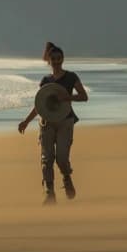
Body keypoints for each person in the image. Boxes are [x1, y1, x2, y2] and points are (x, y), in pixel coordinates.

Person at [18, 42, 89, 205]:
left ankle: (66, 177)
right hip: (47, 122)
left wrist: (67, 98)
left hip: (65, 120)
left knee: (62, 157)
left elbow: (84, 96)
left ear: (63, 59)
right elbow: (40, 104)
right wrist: (26, 121)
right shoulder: (46, 80)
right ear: (49, 61)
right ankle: (49, 192)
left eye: (59, 58)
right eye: (53, 58)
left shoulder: (71, 77)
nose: (57, 61)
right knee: (46, 158)